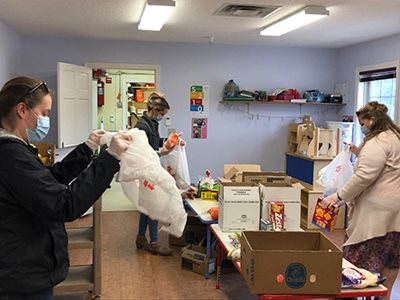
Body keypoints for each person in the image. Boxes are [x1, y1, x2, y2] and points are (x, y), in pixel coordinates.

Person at [0, 76, 132, 299]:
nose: (46, 119)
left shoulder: (17, 148)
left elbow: (48, 182)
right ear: (22, 109)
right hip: (21, 280)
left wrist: (87, 149)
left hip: (24, 270)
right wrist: (110, 159)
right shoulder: (11, 155)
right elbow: (65, 204)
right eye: (44, 113)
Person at [321, 101, 400, 299]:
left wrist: (337, 196)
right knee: (392, 259)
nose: (363, 128)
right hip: (395, 212)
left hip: (376, 213)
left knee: (358, 261)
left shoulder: (377, 142)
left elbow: (364, 176)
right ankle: (385, 295)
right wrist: (358, 152)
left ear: (372, 120)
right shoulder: (395, 136)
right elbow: (385, 165)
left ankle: (353, 295)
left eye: (363, 123)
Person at [135, 92, 179, 256]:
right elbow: (141, 152)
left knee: (147, 207)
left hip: (151, 168)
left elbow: (156, 142)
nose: (162, 117)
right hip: (145, 169)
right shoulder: (141, 127)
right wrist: (161, 153)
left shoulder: (152, 124)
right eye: (161, 114)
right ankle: (153, 242)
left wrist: (170, 141)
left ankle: (140, 238)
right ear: (154, 110)